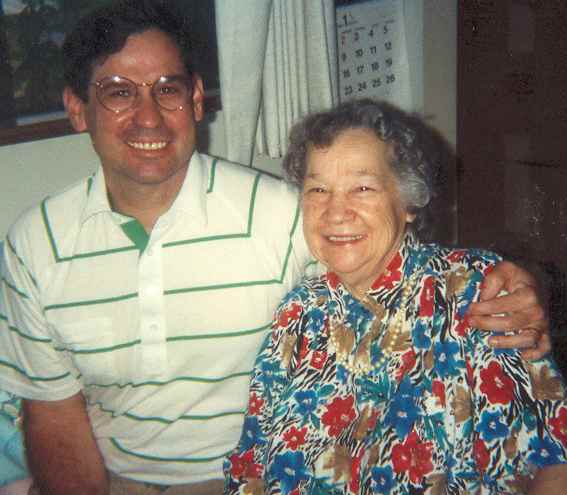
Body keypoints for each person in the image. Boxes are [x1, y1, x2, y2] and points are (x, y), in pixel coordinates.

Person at [0, 1, 551, 493]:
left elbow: (391, 259)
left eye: (167, 89)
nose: (148, 116)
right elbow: (52, 411)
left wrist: (521, 284)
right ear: (77, 108)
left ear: (196, 99)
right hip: (120, 476)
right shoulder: (36, 245)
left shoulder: (281, 214)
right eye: (119, 92)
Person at [223, 99, 567, 494]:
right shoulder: (297, 313)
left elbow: (555, 454)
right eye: (318, 189)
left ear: (407, 203)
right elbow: (250, 462)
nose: (335, 211)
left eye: (362, 188)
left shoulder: (473, 291)